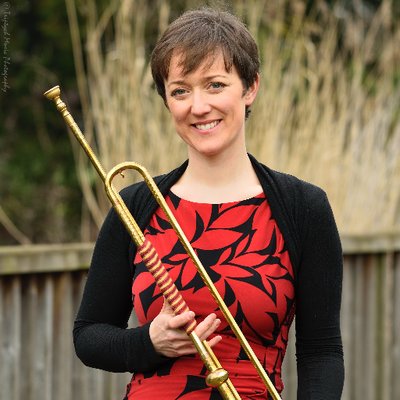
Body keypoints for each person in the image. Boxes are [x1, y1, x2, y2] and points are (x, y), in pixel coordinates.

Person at [73, 7, 344, 400]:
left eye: (215, 85)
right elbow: (89, 336)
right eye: (180, 90)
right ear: (167, 101)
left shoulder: (303, 208)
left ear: (250, 87)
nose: (198, 106)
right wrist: (149, 341)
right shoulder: (135, 206)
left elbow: (322, 354)